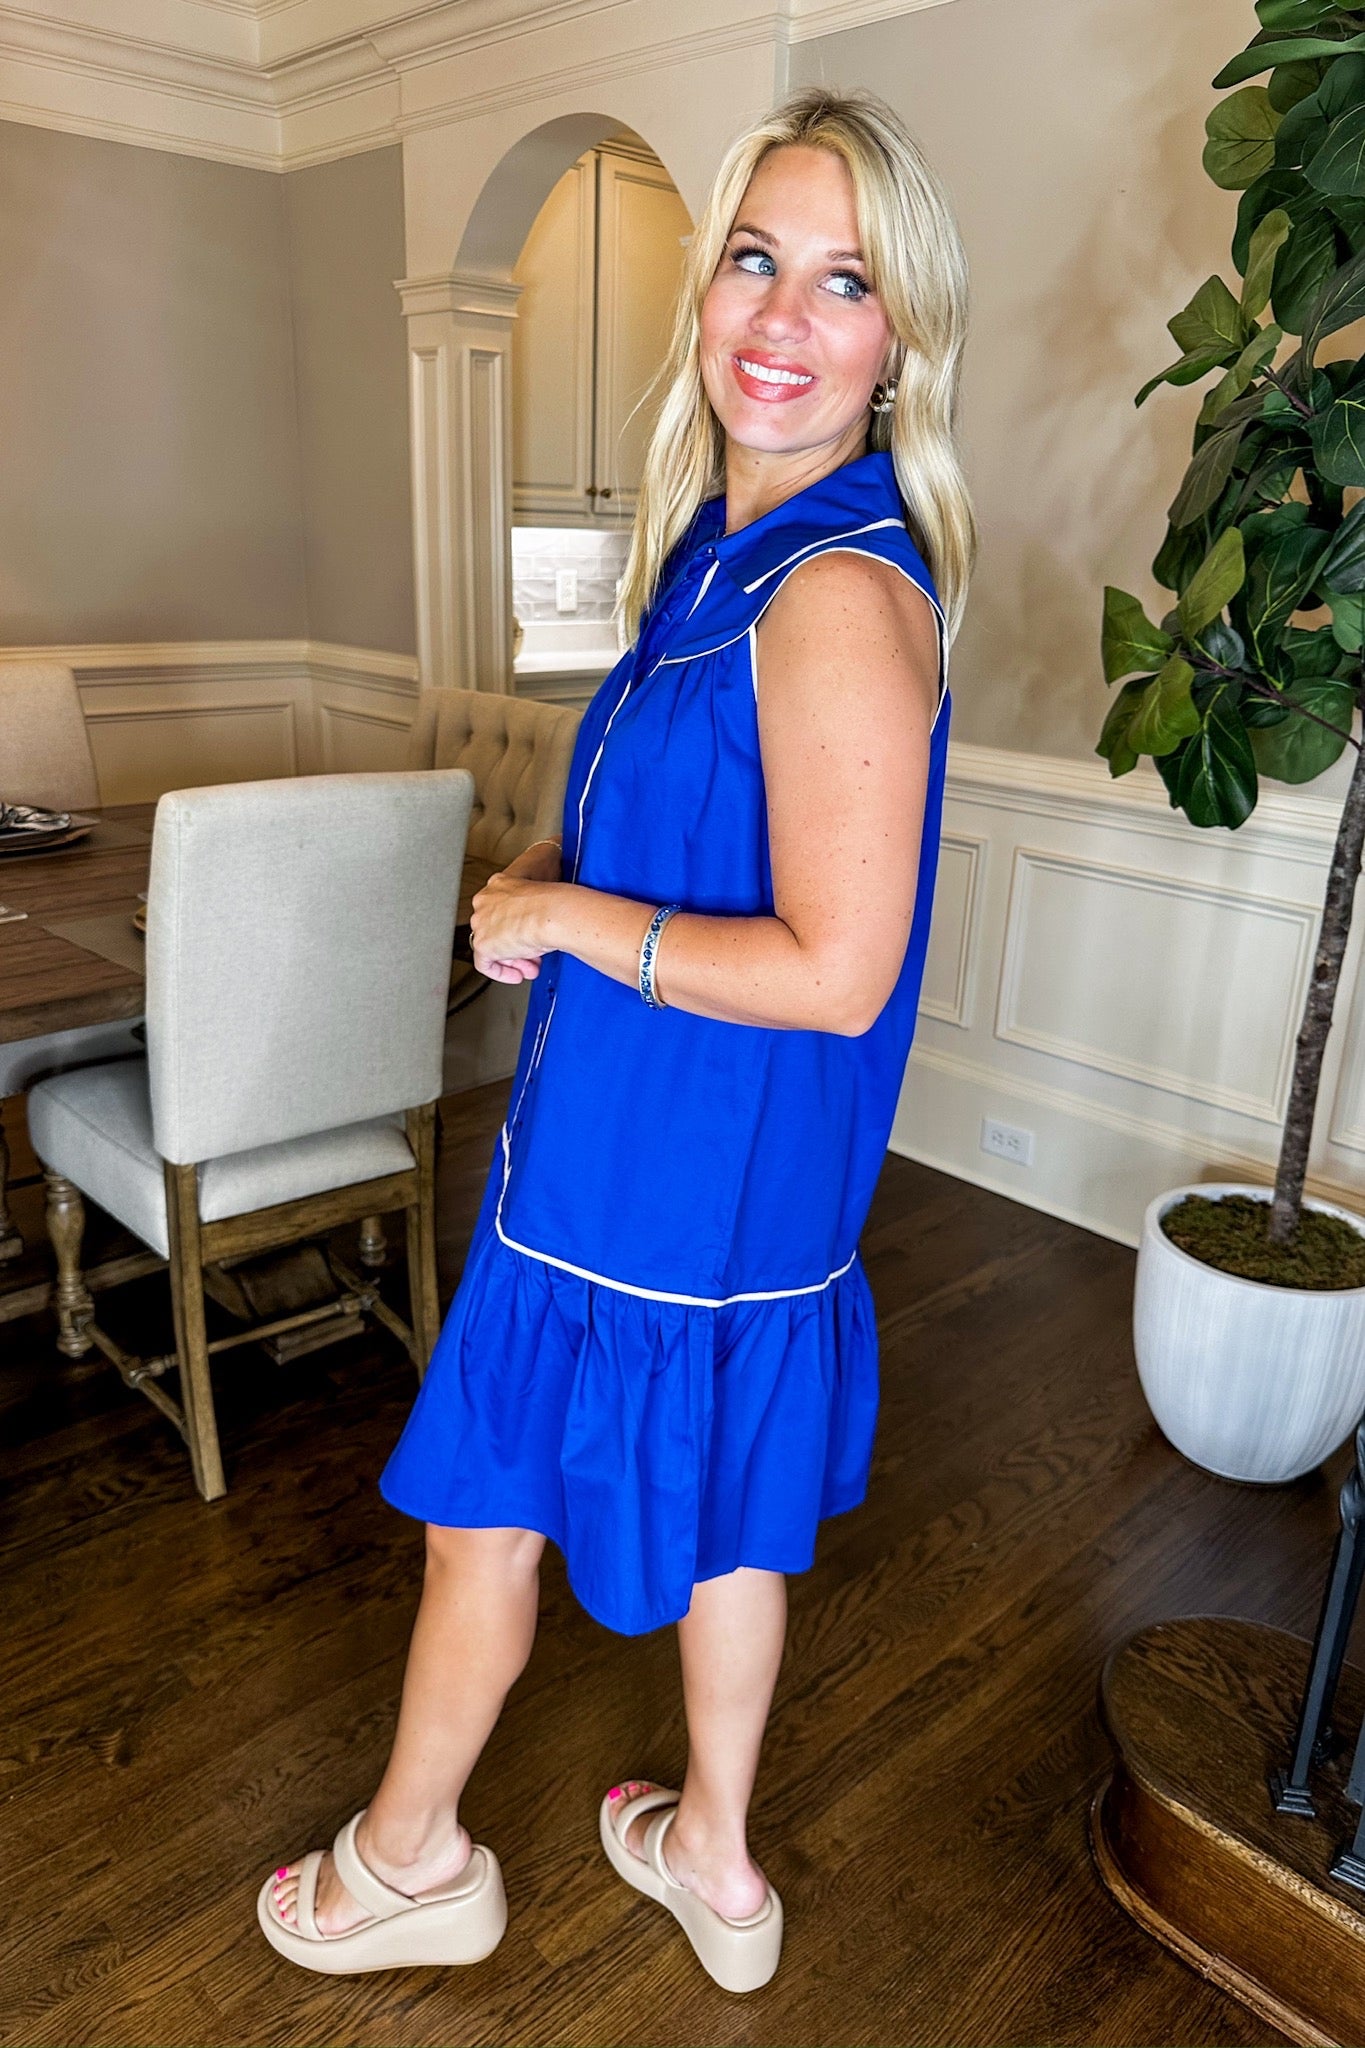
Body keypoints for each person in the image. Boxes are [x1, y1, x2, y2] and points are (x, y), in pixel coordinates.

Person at [258, 82, 975, 1993]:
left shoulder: (830, 590)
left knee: (480, 1508)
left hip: (644, 1180)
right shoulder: (717, 565)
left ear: (901, 343)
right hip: (708, 1182)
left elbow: (836, 967)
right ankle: (716, 1867)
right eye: (755, 256)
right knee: (734, 1510)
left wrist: (565, 917)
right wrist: (552, 854)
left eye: (843, 282)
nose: (778, 312)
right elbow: (686, 815)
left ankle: (413, 1862)